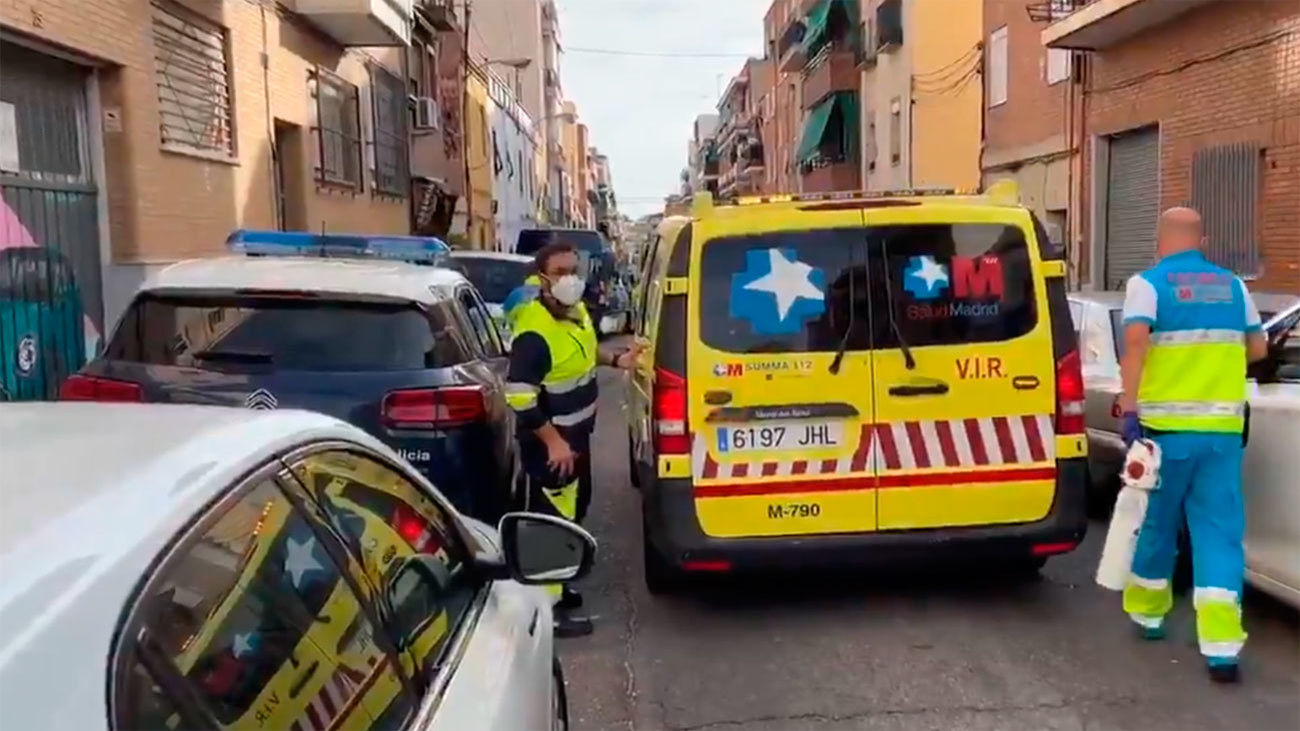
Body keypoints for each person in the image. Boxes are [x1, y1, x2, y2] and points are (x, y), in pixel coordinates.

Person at [1117, 207, 1269, 684]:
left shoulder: (1147, 284)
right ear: (1201, 239)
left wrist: (1127, 404)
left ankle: (1148, 614)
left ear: (1160, 239)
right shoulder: (1234, 286)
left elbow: (1136, 344)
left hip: (1165, 433)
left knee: (1158, 524)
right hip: (1222, 432)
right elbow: (1259, 350)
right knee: (1218, 533)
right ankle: (1222, 645)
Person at [504, 240, 644, 638]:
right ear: (542, 278)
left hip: (577, 437)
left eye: (574, 270)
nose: (571, 279)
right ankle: (547, 611)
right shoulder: (534, 329)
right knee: (550, 523)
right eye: (561, 272)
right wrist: (552, 442)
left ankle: (559, 589)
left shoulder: (575, 311)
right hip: (552, 445)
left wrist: (617, 360)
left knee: (573, 511)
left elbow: (584, 353)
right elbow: (519, 395)